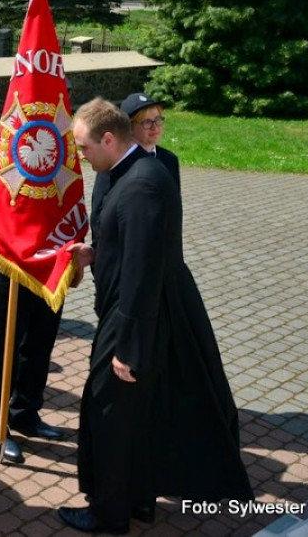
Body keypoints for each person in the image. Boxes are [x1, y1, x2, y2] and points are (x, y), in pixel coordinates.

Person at [59, 99, 252, 534]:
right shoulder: (126, 174)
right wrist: (95, 253)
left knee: (109, 411)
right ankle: (139, 499)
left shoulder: (143, 184)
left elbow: (143, 273)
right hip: (141, 312)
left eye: (85, 147)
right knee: (139, 413)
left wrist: (129, 347)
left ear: (109, 139)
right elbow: (129, 246)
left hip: (138, 317)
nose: (82, 156)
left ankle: (109, 513)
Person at [0, 133, 66, 466]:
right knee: (2, 351)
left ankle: (25, 414)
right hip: (9, 267)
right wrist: (16, 195)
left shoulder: (59, 142)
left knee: (39, 347)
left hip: (50, 264)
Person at [91, 93, 180, 225]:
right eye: (147, 122)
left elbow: (174, 209)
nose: (155, 127)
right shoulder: (113, 162)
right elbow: (98, 217)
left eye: (158, 120)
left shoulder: (169, 160)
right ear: (129, 127)